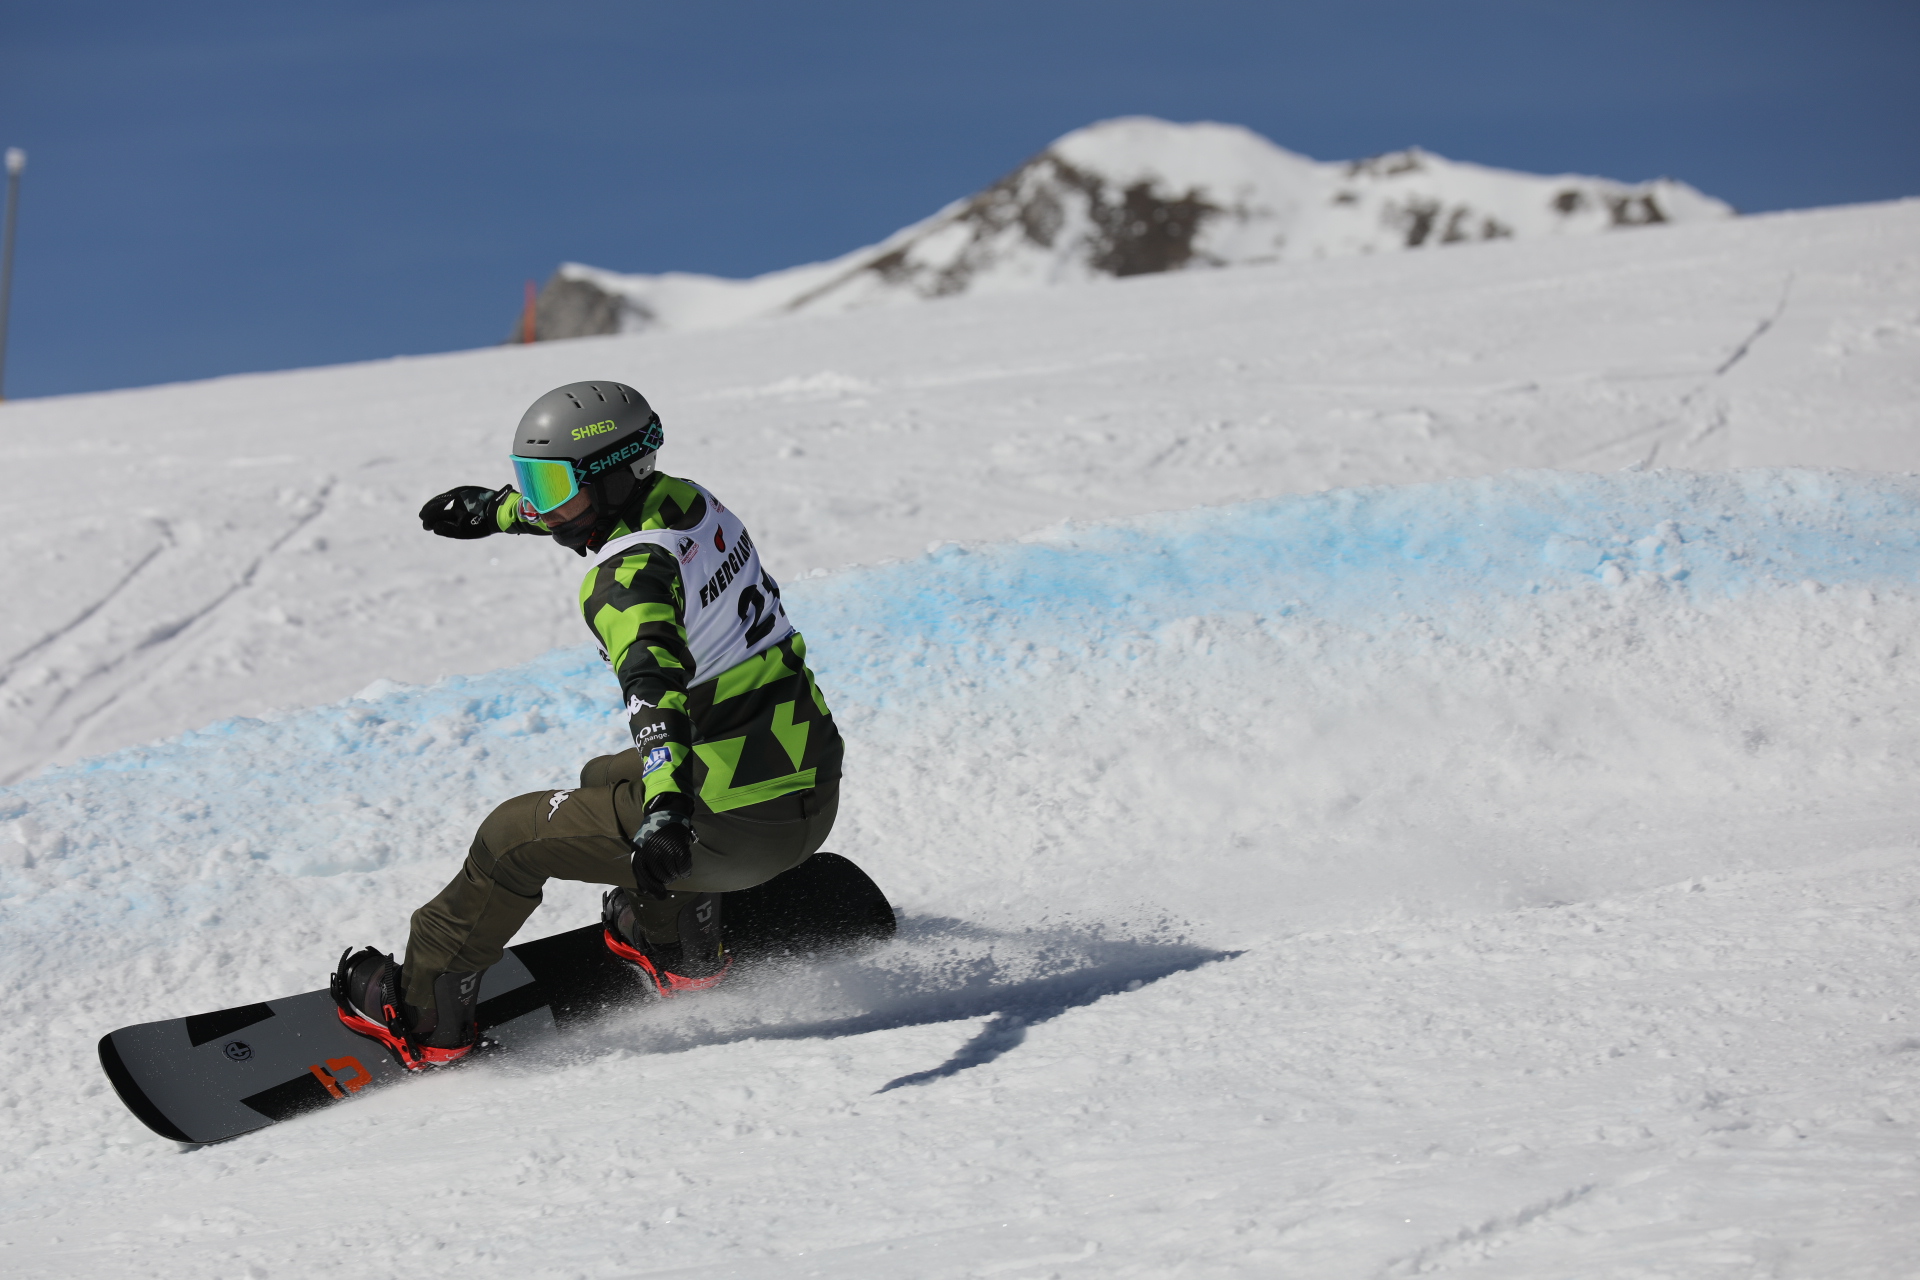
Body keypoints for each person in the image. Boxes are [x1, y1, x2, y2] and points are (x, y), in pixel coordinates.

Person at [331, 381, 844, 1069]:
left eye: (553, 487)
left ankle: (427, 1019)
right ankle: (675, 940)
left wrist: (667, 809)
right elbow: (600, 511)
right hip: (805, 783)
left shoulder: (627, 579)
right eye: (532, 484)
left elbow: (653, 689)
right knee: (603, 778)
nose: (546, 507)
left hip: (734, 831)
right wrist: (498, 511)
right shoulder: (688, 503)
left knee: (512, 836)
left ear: (611, 478)